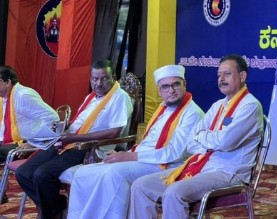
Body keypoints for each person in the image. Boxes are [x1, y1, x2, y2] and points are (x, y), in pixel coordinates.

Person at [129, 54, 263, 219]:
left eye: (227, 74)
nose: (221, 79)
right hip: (202, 166)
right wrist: (212, 140)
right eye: (219, 75)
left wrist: (204, 137)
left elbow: (226, 142)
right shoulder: (218, 105)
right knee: (141, 185)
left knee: (174, 193)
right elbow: (192, 143)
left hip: (228, 173)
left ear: (242, 76)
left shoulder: (250, 106)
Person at [67, 64, 203, 219]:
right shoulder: (163, 108)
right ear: (159, 90)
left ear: (184, 84)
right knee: (83, 173)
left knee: (113, 174)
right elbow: (148, 143)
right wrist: (125, 155)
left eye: (175, 85)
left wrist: (129, 156)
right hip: (144, 158)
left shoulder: (192, 113)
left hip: (167, 165)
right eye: (165, 87)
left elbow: (174, 153)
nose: (171, 90)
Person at [15, 59, 133, 219]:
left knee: (42, 175)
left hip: (88, 147)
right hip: (67, 141)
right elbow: (79, 123)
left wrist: (75, 137)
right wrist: (62, 127)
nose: (98, 83)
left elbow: (114, 132)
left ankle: (52, 213)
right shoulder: (91, 97)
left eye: (104, 78)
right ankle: (58, 207)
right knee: (23, 173)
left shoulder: (120, 97)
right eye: (95, 79)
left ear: (114, 77)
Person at [0, 66, 59, 162]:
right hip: (6, 141)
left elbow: (52, 117)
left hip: (23, 143)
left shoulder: (23, 95)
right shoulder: (4, 98)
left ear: (8, 82)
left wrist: (32, 143)